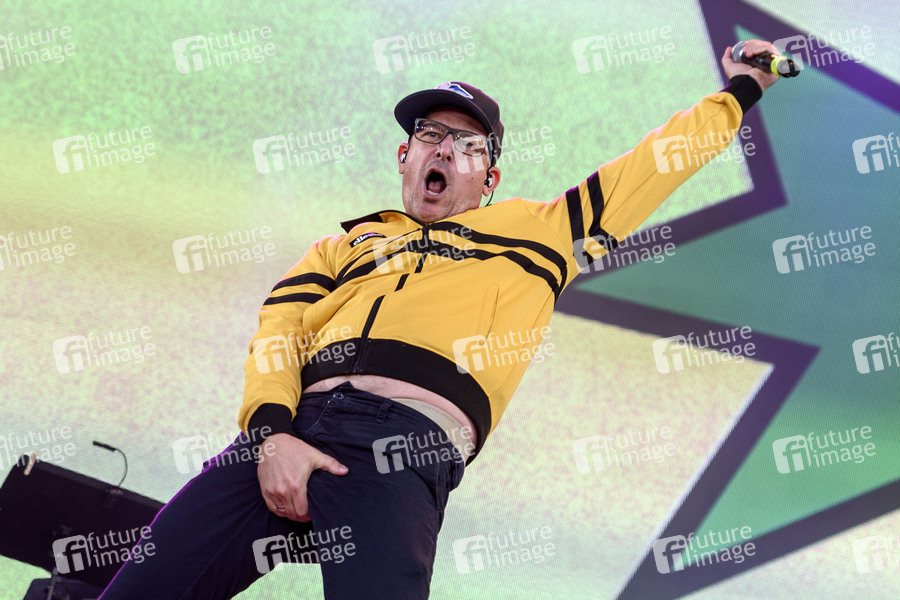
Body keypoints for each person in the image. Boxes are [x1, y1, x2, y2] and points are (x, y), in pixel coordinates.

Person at [100, 40, 781, 600]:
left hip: (403, 444)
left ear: (490, 179)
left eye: (470, 143)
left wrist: (742, 88)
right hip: (288, 428)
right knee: (142, 586)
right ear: (406, 157)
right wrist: (272, 433)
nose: (445, 150)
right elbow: (276, 337)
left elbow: (655, 165)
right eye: (430, 135)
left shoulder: (541, 232)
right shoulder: (343, 246)